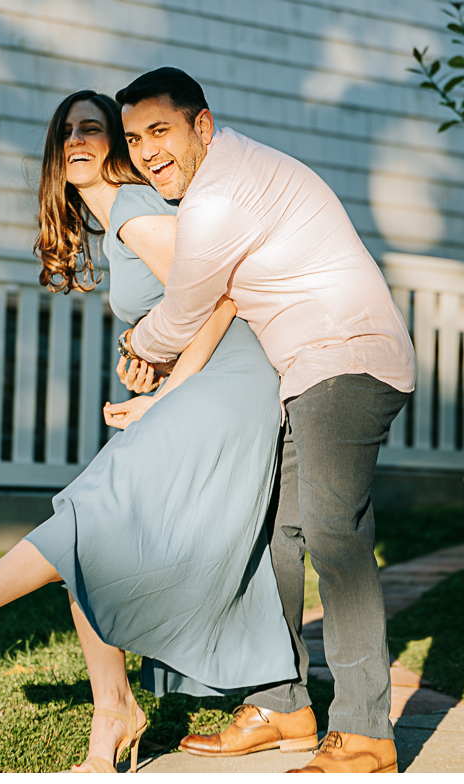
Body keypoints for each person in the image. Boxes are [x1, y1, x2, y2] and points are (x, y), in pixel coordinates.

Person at [0, 90, 308, 774]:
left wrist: (172, 395)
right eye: (66, 131)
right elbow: (183, 311)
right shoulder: (119, 219)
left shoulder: (130, 207)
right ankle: (111, 723)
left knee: (92, 515)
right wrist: (156, 366)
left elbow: (220, 296)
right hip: (206, 383)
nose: (77, 140)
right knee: (93, 531)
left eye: (92, 128)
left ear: (117, 146)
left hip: (233, 386)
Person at [115, 68, 416, 775]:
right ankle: (282, 702)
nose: (148, 152)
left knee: (334, 531)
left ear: (203, 126)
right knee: (274, 529)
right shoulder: (224, 178)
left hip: (345, 356)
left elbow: (187, 308)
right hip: (307, 368)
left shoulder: (218, 195)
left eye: (161, 131)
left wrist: (141, 348)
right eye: (134, 139)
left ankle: (366, 730)